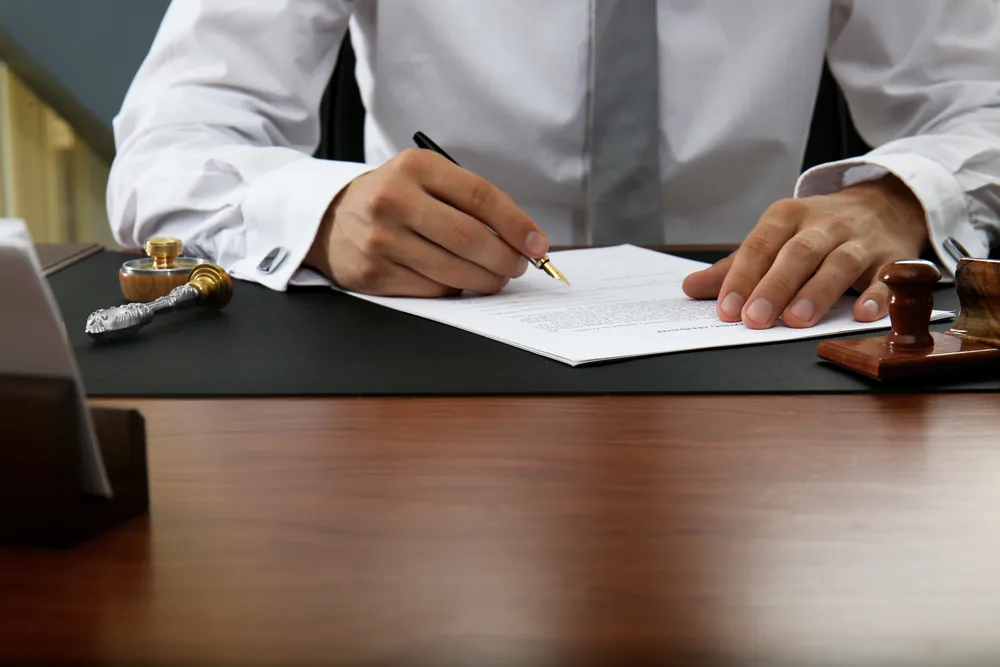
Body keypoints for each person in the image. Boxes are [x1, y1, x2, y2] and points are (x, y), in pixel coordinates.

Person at [108, 0, 1000, 330]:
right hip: (421, 367)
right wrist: (321, 209)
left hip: (761, 347)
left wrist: (902, 198)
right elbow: (172, 142)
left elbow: (980, 97)